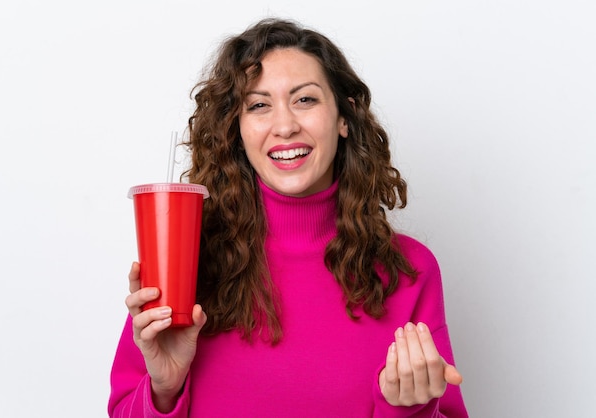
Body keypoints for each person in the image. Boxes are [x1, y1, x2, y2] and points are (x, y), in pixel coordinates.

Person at [109, 18, 468, 417]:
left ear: (344, 118)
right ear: (237, 131)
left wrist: (408, 410)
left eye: (305, 100)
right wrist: (164, 389)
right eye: (259, 105)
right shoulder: (185, 262)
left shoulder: (410, 271)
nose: (284, 126)